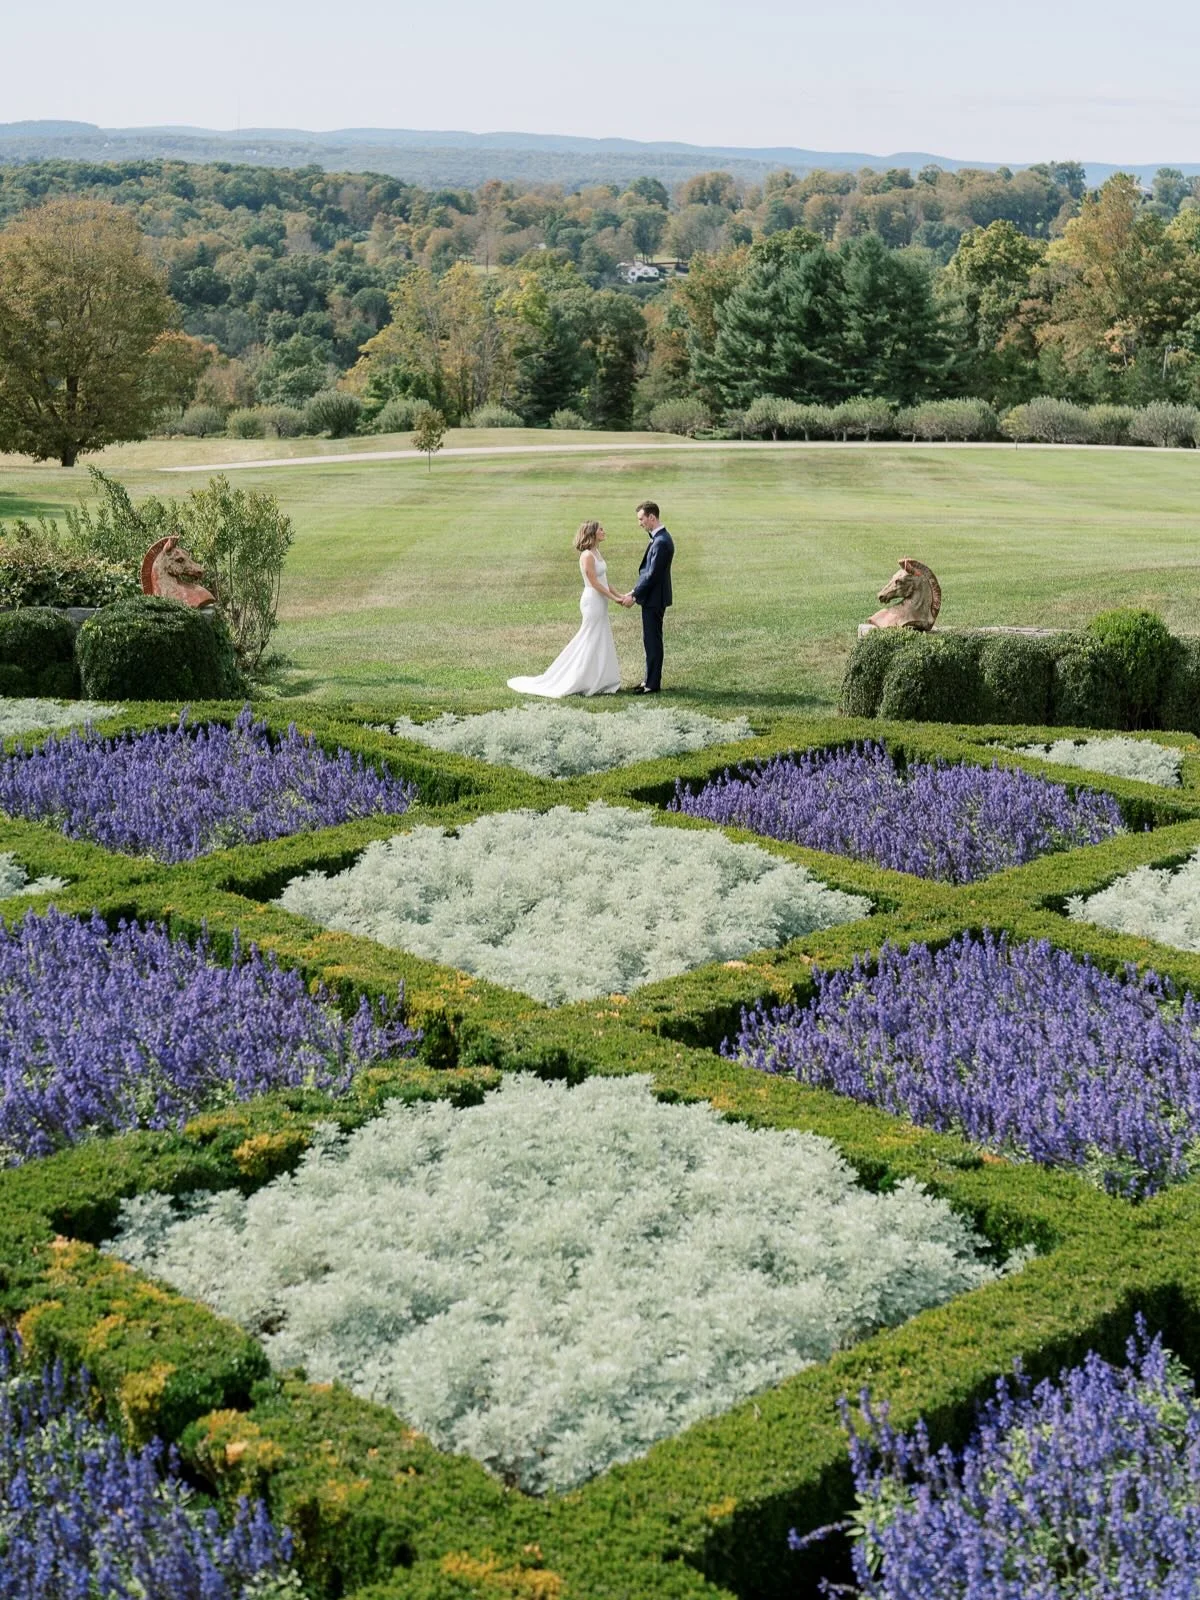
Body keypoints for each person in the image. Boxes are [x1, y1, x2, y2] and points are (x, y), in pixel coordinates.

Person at [507, 520, 625, 698]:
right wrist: (614, 597)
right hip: (592, 601)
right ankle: (579, 677)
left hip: (601, 600)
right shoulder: (586, 556)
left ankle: (600, 678)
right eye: (600, 529)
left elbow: (605, 581)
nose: (603, 531)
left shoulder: (596, 552)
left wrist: (619, 595)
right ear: (592, 533)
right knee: (589, 637)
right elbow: (593, 583)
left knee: (600, 636)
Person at [620, 500, 674, 694]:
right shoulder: (659, 539)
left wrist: (634, 596)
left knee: (652, 641)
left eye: (641, 519)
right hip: (652, 598)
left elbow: (652, 575)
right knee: (650, 640)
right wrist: (634, 592)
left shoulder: (662, 542)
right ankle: (648, 680)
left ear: (652, 517)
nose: (640, 523)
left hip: (654, 599)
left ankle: (652, 684)